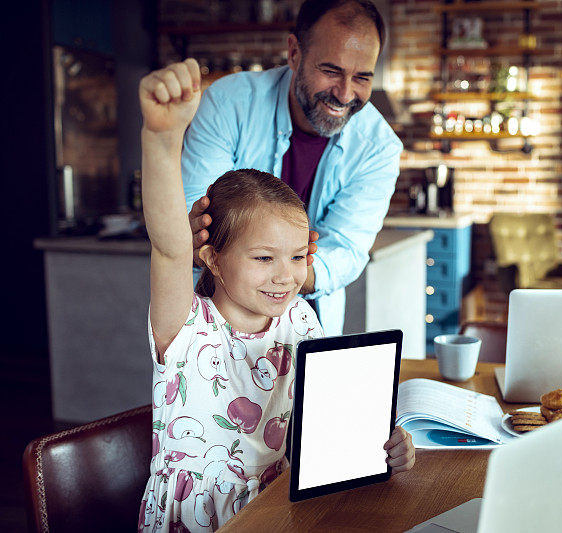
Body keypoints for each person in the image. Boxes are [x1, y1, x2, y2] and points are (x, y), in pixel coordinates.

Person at [137, 58, 414, 531]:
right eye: (264, 258)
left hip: (281, 510)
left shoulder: (301, 318)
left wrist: (383, 442)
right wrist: (161, 138)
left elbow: (327, 421)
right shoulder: (184, 325)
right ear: (211, 256)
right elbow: (167, 246)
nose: (285, 276)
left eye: (296, 256)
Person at [181, 0, 402, 336]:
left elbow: (345, 249)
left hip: (307, 327)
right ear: (294, 53)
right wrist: (292, 261)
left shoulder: (379, 148)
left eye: (362, 77)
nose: (344, 94)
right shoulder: (227, 104)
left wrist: (280, 275)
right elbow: (197, 223)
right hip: (212, 324)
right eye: (331, 71)